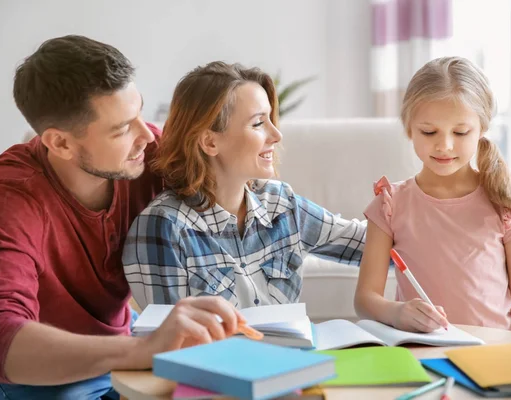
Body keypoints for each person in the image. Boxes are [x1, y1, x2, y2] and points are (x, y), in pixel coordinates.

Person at [0, 35, 244, 400]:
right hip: (40, 375)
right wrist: (144, 350)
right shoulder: (14, 194)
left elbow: (240, 196)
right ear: (60, 143)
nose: (146, 134)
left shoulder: (148, 153)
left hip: (121, 339)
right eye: (122, 128)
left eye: (139, 112)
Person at [122, 61, 367, 309]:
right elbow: (173, 340)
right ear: (209, 142)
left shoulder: (281, 204)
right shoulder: (164, 227)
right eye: (259, 123)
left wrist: (404, 198)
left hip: (288, 349)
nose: (276, 135)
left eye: (270, 119)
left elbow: (369, 246)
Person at [354, 56, 511, 337]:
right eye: (429, 132)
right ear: (409, 129)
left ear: (482, 128)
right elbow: (365, 299)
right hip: (423, 353)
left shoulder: (507, 200)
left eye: (460, 132)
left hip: (496, 358)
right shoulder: (390, 204)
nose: (444, 145)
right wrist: (397, 312)